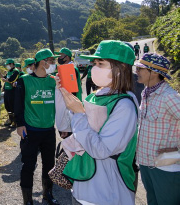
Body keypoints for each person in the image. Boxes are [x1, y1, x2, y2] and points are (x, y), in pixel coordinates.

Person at [58, 40, 139, 205]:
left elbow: (101, 150)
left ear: (120, 69)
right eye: (94, 63)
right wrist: (66, 97)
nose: (94, 68)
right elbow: (81, 131)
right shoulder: (94, 96)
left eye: (100, 64)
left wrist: (80, 113)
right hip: (82, 188)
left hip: (107, 194)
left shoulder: (125, 105)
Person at [15, 48, 67, 205]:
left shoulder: (53, 81)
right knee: (28, 165)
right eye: (51, 61)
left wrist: (63, 125)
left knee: (49, 164)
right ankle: (28, 200)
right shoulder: (24, 80)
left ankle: (47, 194)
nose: (53, 63)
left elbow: (62, 103)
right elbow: (18, 104)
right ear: (42, 62)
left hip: (48, 130)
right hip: (31, 130)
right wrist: (20, 124)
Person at [135, 53, 180, 205]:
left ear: (154, 72)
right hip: (146, 162)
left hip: (166, 165)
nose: (137, 71)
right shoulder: (146, 92)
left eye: (141, 68)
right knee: (152, 201)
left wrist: (177, 150)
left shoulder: (169, 96)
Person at [54, 47, 83, 139]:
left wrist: (66, 127)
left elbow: (69, 92)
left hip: (70, 106)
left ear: (67, 57)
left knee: (70, 138)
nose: (59, 58)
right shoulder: (68, 68)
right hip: (71, 105)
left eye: (61, 55)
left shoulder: (70, 69)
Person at [2, 58, 20, 127]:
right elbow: (5, 78)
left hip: (12, 91)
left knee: (12, 106)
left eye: (8, 64)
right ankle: (10, 120)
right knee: (7, 106)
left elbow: (12, 79)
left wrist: (6, 80)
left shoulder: (16, 71)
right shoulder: (9, 71)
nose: (7, 66)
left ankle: (14, 122)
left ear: (12, 64)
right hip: (7, 91)